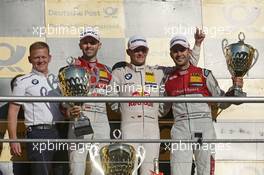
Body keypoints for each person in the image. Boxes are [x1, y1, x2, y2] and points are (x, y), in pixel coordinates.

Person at [108, 28, 205, 175]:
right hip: (129, 127)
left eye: (143, 50)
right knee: (128, 171)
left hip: (152, 128)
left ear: (147, 51)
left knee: (150, 171)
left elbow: (185, 65)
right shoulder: (119, 73)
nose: (140, 53)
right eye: (136, 50)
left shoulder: (158, 72)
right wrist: (122, 109)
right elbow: (110, 96)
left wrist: (197, 45)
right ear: (129, 52)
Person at [163, 35, 243, 175]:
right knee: (178, 171)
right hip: (180, 129)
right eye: (175, 51)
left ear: (188, 51)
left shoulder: (204, 74)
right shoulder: (168, 79)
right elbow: (161, 110)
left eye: (182, 50)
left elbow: (221, 102)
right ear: (171, 54)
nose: (179, 54)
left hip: (202, 127)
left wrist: (235, 89)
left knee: (204, 170)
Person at [7, 41, 68, 175]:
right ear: (30, 59)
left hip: (61, 132)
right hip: (38, 133)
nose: (41, 60)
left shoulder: (59, 80)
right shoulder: (22, 81)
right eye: (36, 57)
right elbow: (13, 111)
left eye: (43, 57)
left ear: (49, 58)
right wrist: (13, 139)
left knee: (62, 171)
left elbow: (65, 107)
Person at [64, 27, 111, 175]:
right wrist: (68, 111)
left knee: (100, 169)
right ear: (80, 45)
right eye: (85, 42)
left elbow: (115, 100)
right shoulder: (71, 68)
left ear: (99, 45)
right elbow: (63, 99)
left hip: (102, 120)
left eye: (93, 42)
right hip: (80, 117)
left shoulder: (107, 70)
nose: (89, 46)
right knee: (76, 167)